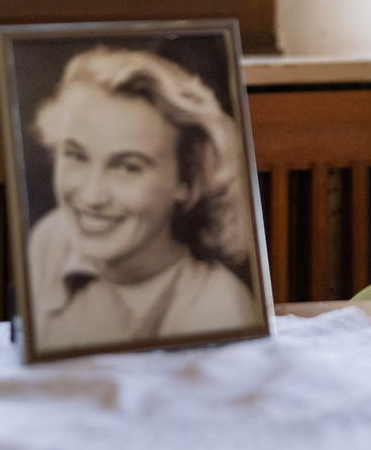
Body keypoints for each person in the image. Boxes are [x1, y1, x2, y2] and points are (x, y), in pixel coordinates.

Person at [28, 47, 258, 353]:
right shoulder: (51, 239)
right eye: (76, 155)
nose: (92, 196)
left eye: (128, 167)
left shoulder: (218, 310)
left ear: (186, 182)